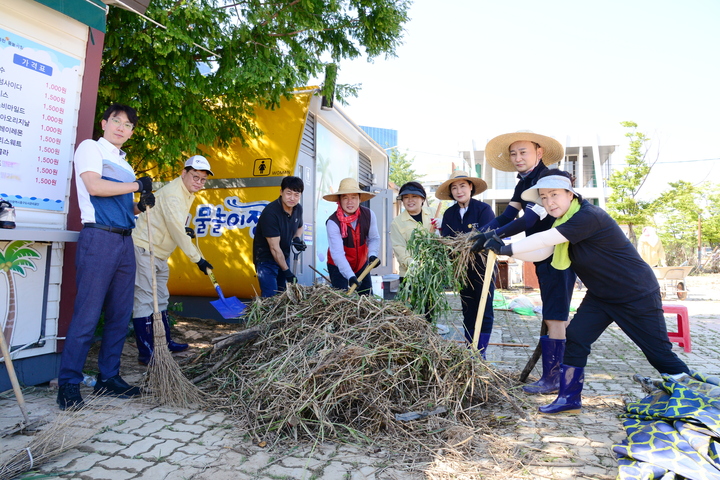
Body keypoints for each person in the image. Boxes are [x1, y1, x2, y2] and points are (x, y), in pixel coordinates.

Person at [479, 169, 691, 414]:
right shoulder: (563, 221)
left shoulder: (588, 216)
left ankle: (694, 400)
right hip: (601, 296)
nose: (549, 201)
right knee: (576, 338)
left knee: (659, 355)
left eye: (554, 194)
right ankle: (568, 400)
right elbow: (543, 252)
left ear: (570, 194)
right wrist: (503, 249)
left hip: (635, 293)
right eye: (544, 197)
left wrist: (505, 248)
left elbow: (544, 240)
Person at [57, 104, 154, 410]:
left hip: (125, 241)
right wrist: (137, 185)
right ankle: (69, 383)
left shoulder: (124, 163)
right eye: (116, 121)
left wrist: (141, 204)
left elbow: (124, 208)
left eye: (128, 125)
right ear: (104, 123)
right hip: (98, 238)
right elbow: (94, 187)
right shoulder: (90, 148)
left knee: (119, 315)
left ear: (131, 132)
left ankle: (107, 377)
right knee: (87, 315)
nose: (121, 128)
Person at [474, 131, 577, 394]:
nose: (517, 157)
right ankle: (551, 376)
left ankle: (554, 379)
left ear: (539, 152)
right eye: (513, 153)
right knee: (552, 315)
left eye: (523, 152)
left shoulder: (549, 179)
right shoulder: (523, 184)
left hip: (559, 254)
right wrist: (477, 234)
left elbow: (529, 221)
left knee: (556, 318)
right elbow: (508, 214)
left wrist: (495, 237)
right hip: (541, 254)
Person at [131, 155, 215, 365]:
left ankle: (165, 342)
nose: (198, 182)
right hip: (144, 248)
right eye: (195, 177)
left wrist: (182, 229)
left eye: (203, 180)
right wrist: (199, 260)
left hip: (160, 253)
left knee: (161, 298)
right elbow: (177, 231)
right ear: (183, 173)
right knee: (144, 300)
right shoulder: (174, 194)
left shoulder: (187, 193)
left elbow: (172, 222)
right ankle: (146, 352)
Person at [436, 171, 495, 357]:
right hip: (461, 269)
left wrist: (464, 243)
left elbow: (486, 236)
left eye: (462, 186)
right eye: (454, 187)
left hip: (483, 268)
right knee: (468, 309)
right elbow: (446, 239)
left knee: (484, 308)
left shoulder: (483, 210)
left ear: (471, 187)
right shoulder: (449, 213)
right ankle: (471, 349)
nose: (459, 190)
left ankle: (481, 351)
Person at [390, 181, 448, 333]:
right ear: (402, 200)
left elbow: (445, 239)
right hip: (410, 276)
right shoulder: (397, 223)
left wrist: (441, 228)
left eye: (414, 196)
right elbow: (399, 248)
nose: (410, 200)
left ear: (422, 199)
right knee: (411, 314)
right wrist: (414, 265)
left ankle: (428, 339)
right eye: (406, 197)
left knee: (429, 310)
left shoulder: (433, 212)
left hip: (431, 274)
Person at [324, 177, 380, 295]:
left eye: (354, 197)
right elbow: (338, 254)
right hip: (338, 266)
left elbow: (374, 238)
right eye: (345, 198)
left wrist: (372, 255)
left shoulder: (369, 215)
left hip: (361, 264)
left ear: (359, 199)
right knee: (341, 301)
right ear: (339, 200)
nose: (350, 202)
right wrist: (350, 276)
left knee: (367, 299)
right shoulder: (333, 222)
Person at [253, 176, 305, 297]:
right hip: (266, 260)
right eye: (289, 193)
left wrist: (296, 238)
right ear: (281, 192)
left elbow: (300, 226)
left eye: (296, 194)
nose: (292, 198)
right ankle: (265, 315)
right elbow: (274, 248)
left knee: (281, 296)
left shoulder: (298, 209)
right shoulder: (270, 213)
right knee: (270, 297)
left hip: (284, 256)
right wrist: (287, 271)